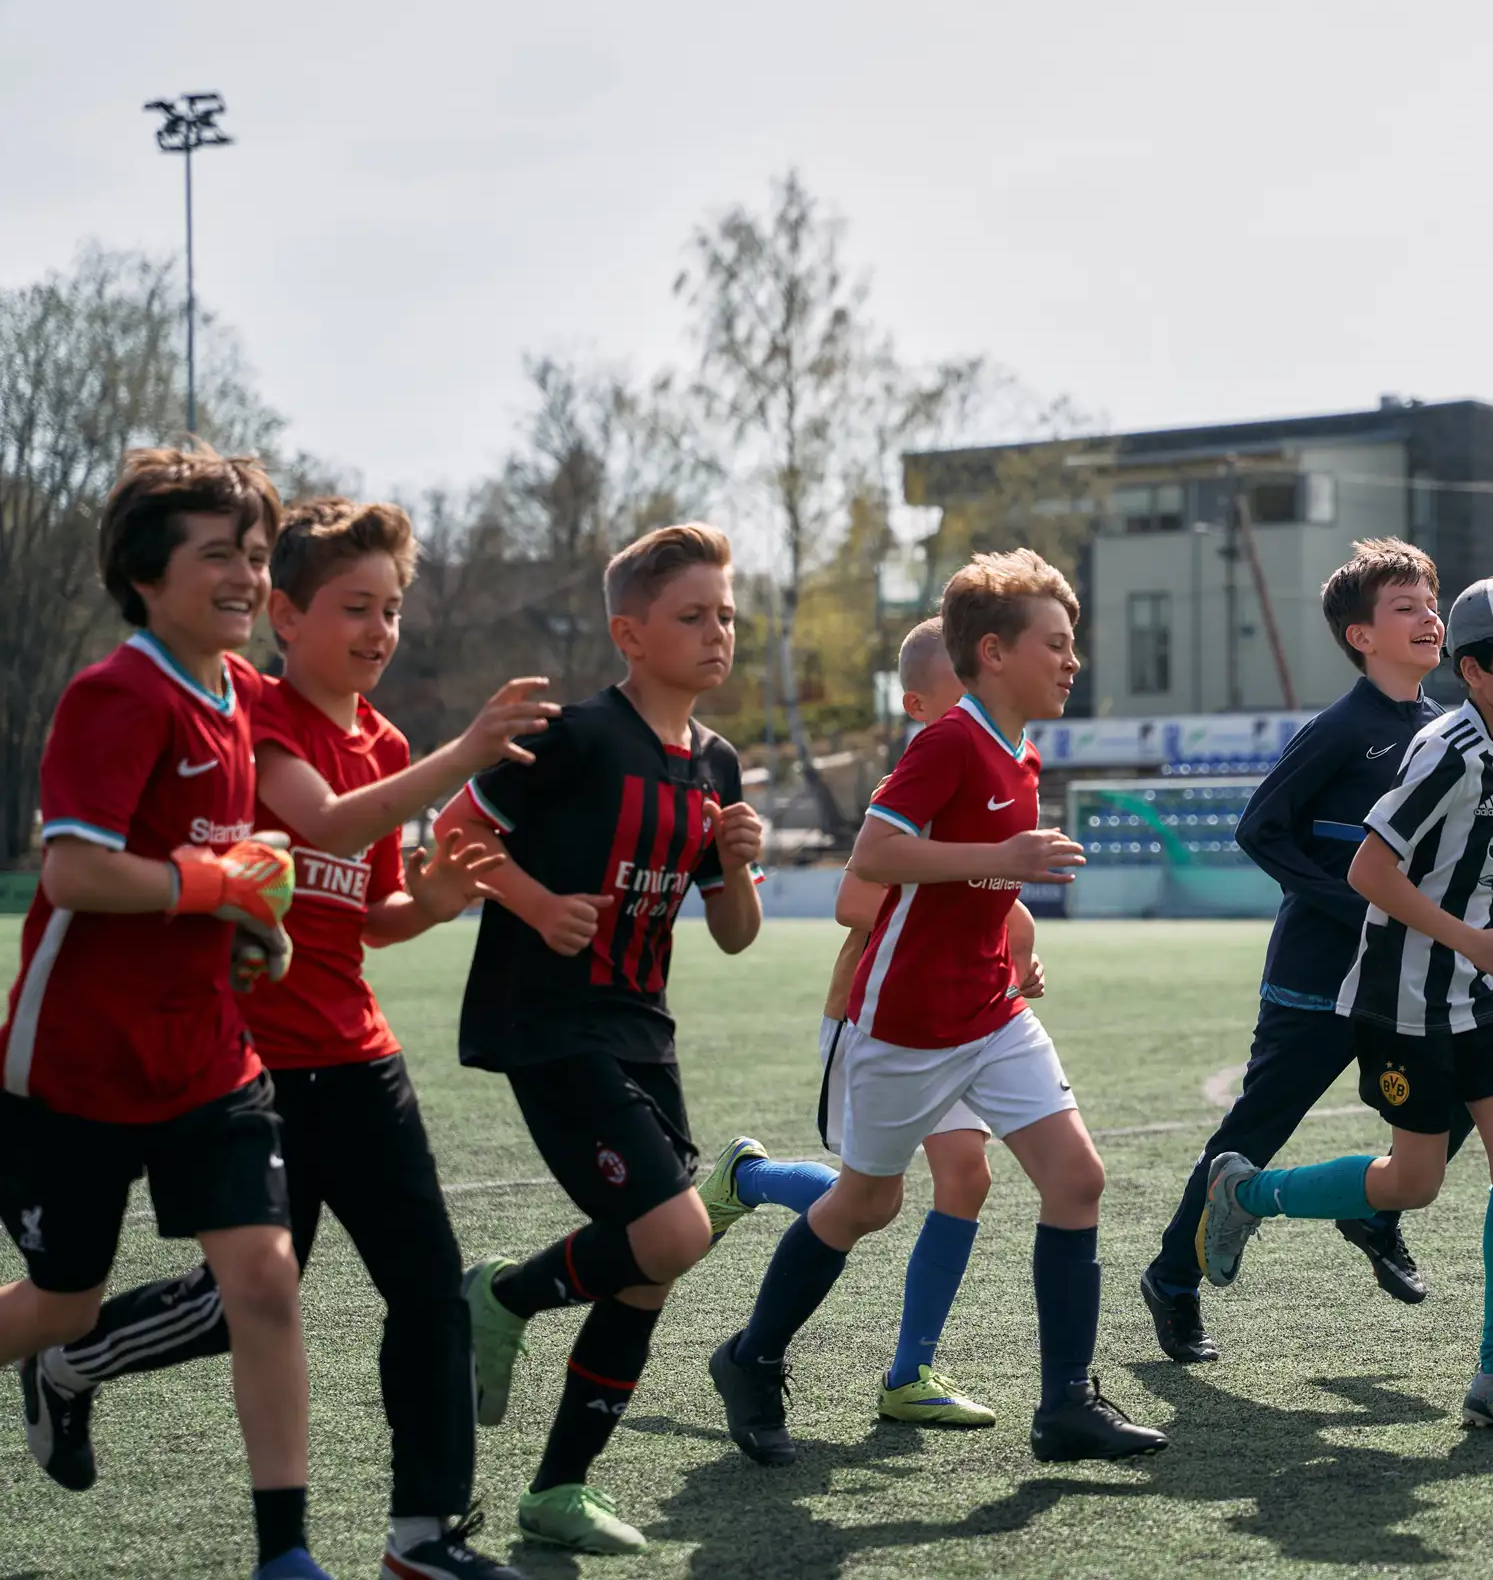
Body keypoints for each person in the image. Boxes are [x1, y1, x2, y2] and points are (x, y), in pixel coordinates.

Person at [21, 498, 550, 1578]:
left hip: (359, 1054)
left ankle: (423, 1536)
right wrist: (465, 754)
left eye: (392, 609)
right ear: (287, 615)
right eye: (355, 607)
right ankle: (71, 1355)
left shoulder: (387, 741)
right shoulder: (250, 713)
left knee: (429, 1284)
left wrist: (441, 896)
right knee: (244, 1301)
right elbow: (321, 823)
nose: (379, 630)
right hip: (255, 1059)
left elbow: (367, 909)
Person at [707, 549, 1167, 1466]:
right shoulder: (948, 742)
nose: (1073, 661)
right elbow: (875, 856)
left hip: (989, 1018)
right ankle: (751, 1355)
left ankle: (1066, 1407)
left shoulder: (1021, 754)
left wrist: (1009, 940)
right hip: (903, 1027)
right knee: (866, 1204)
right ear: (993, 653)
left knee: (1077, 1181)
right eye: (1058, 644)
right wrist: (1009, 861)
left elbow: (976, 894)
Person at [0, 445, 334, 1579]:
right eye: (218, 556)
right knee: (59, 1303)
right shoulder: (118, 693)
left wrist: (260, 926)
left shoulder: (243, 697)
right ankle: (54, 1363)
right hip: (75, 1072)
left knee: (266, 1278)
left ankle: (284, 1554)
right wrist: (218, 887)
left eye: (253, 553)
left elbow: (229, 861)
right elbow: (74, 874)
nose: (246, 575)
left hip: (207, 1062)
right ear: (146, 575)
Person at [1194, 577, 1493, 1435]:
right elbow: (1370, 873)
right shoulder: (1447, 751)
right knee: (1411, 1184)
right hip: (1406, 1002)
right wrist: (1468, 939)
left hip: (1483, 999)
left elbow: (1483, 871)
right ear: (1473, 670)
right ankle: (1248, 1196)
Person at [439, 523, 767, 1556]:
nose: (716, 632)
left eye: (725, 613)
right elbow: (452, 831)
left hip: (642, 1029)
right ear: (630, 632)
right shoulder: (576, 735)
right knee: (674, 1232)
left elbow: (733, 932)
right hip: (546, 1019)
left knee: (649, 1266)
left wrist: (741, 861)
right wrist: (536, 904)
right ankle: (499, 1293)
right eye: (691, 615)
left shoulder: (717, 763)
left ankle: (556, 1490)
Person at [698, 616, 1044, 1430]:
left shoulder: (997, 769)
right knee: (870, 1199)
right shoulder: (923, 776)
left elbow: (992, 901)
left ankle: (910, 1373)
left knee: (967, 1177)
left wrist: (1017, 955)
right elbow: (856, 900)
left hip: (961, 1018)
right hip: (878, 1018)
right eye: (966, 694)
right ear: (923, 703)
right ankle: (748, 1179)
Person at [1141, 539, 1473, 1365]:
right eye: (1407, 607)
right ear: (1361, 636)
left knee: (1471, 1089)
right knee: (1253, 1135)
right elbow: (1260, 828)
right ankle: (1170, 1283)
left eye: (1432, 602)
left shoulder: (1444, 730)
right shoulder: (1343, 729)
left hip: (1407, 974)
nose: (1429, 617)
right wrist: (1350, 906)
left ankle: (1376, 1213)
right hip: (1316, 981)